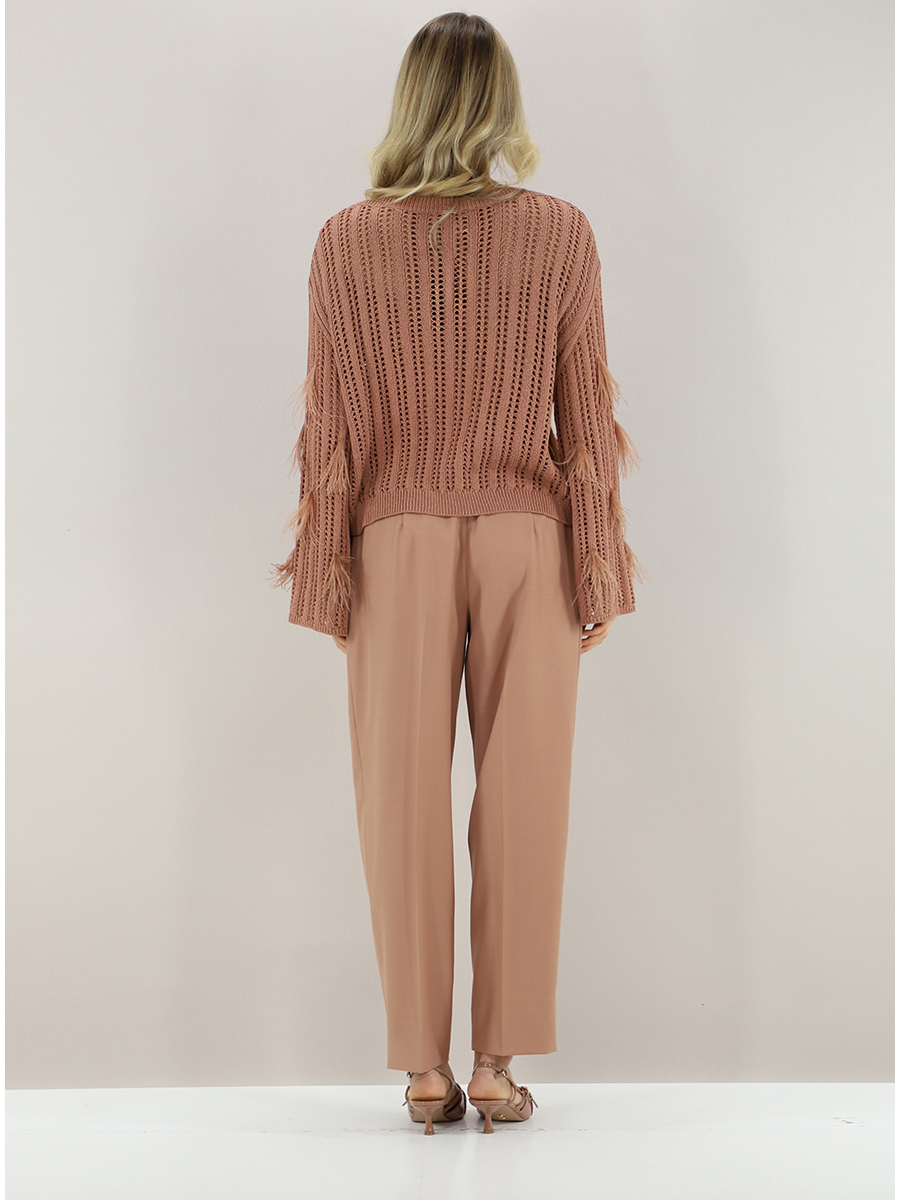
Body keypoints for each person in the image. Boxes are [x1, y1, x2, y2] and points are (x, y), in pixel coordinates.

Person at [271, 11, 644, 1135]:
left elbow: (333, 427)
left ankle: (423, 1073)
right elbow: (584, 416)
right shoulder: (561, 232)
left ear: (411, 102)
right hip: (529, 539)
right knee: (528, 800)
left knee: (399, 801)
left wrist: (330, 577)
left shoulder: (345, 241)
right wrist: (597, 567)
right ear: (501, 106)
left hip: (396, 540)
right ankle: (495, 1066)